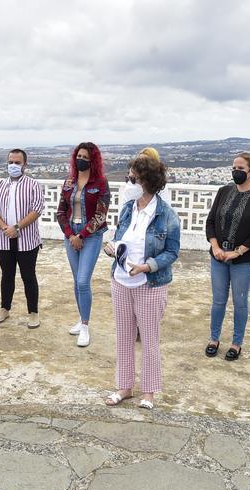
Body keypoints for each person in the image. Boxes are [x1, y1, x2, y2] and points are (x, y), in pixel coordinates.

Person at [102, 156, 180, 410]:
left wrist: (148, 266)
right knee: (124, 336)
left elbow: (172, 252)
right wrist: (111, 247)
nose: (128, 180)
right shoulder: (127, 208)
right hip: (121, 281)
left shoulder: (166, 215)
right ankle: (124, 387)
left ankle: (149, 392)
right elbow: (119, 237)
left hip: (149, 284)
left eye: (133, 177)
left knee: (149, 338)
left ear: (146, 180)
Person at [203, 152, 250, 361]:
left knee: (240, 301)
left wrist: (238, 251)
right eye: (234, 168)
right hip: (218, 256)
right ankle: (214, 339)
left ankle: (236, 343)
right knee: (218, 301)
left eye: (240, 169)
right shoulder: (223, 191)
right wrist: (215, 247)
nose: (236, 172)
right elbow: (210, 222)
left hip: (244, 259)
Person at [55, 142, 110, 347]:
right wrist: (70, 235)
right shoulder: (69, 182)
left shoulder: (101, 182)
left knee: (83, 281)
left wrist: (82, 235)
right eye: (79, 156)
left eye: (86, 158)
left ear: (93, 160)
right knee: (76, 280)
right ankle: (81, 318)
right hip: (71, 235)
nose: (82, 160)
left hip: (92, 236)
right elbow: (61, 212)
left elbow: (100, 214)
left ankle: (85, 326)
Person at [0, 149, 45, 328]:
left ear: (24, 165)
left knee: (28, 276)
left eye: (17, 163)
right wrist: (5, 227)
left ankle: (33, 312)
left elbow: (37, 209)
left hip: (27, 240)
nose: (13, 165)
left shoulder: (33, 185)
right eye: (11, 162)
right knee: (7, 275)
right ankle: (4, 308)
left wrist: (17, 227)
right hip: (4, 239)